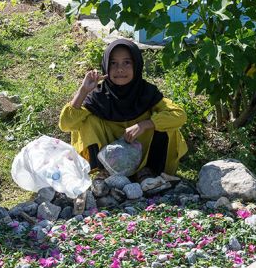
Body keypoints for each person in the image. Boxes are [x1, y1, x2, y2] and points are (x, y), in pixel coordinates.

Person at [59, 39, 188, 178]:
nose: (120, 69)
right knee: (86, 120)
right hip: (108, 162)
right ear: (106, 66)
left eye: (127, 62)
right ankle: (98, 173)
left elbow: (179, 115)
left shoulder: (147, 93)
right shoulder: (97, 96)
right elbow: (66, 125)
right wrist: (83, 91)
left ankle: (150, 172)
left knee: (167, 124)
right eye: (113, 63)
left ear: (136, 65)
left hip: (143, 160)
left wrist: (145, 124)